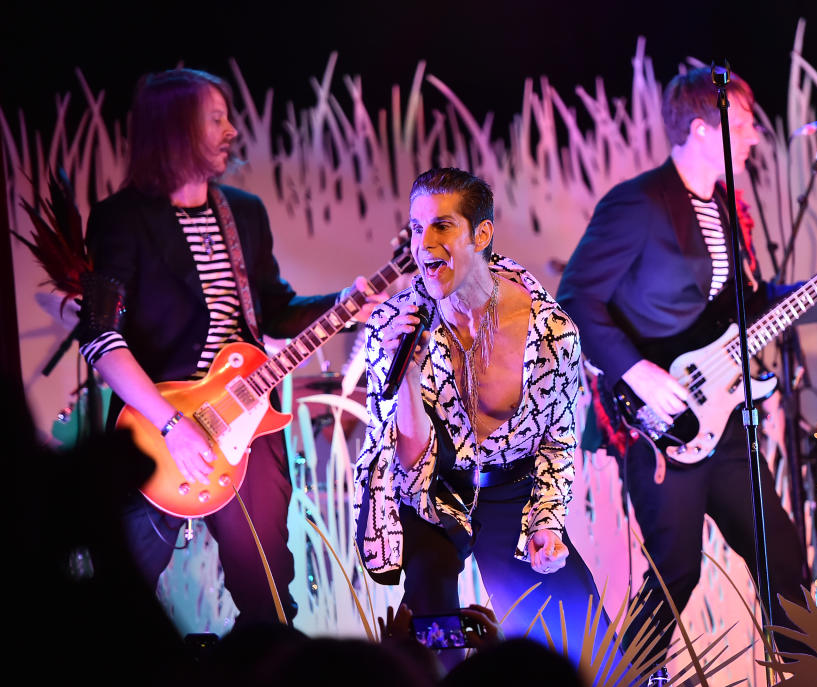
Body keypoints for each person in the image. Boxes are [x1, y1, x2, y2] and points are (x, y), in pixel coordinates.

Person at [556, 67, 817, 667]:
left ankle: (812, 677)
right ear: (703, 129)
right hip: (658, 423)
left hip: (723, 414)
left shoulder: (726, 209)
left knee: (782, 557)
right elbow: (576, 299)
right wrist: (637, 372)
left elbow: (751, 306)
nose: (757, 136)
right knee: (674, 576)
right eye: (743, 123)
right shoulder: (637, 203)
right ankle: (620, 679)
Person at [77, 68, 384, 628]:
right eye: (216, 118)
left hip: (246, 421)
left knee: (268, 597)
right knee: (118, 598)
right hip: (159, 428)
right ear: (174, 128)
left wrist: (346, 304)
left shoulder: (243, 212)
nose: (233, 131)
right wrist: (173, 426)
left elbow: (274, 309)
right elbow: (100, 338)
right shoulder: (122, 219)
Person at [354, 168, 612, 663]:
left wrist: (547, 525)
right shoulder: (394, 325)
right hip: (433, 494)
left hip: (508, 488)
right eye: (415, 228)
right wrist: (404, 373)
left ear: (482, 234)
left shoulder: (551, 330)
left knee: (584, 642)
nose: (424, 243)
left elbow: (557, 443)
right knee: (436, 627)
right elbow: (409, 468)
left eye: (441, 226)